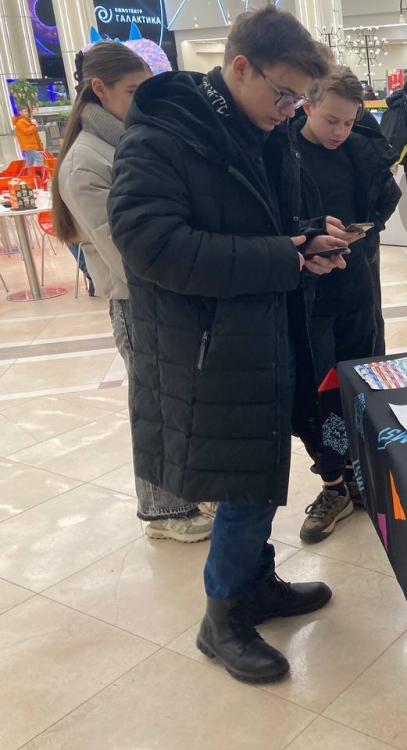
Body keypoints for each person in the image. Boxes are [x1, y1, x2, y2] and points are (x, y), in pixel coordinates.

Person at [107, 7, 350, 684]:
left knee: (262, 469)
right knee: (242, 481)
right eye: (284, 94)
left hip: (262, 329)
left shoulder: (260, 130)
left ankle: (256, 584)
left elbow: (262, 223)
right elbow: (152, 244)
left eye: (299, 100)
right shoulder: (164, 134)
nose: (290, 110)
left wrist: (306, 239)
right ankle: (222, 619)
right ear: (240, 67)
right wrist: (282, 257)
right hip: (207, 345)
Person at [52, 43, 215, 542]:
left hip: (169, 293)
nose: (144, 100)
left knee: (183, 400)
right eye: (132, 91)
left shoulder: (134, 140)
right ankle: (163, 511)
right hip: (137, 300)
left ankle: (189, 491)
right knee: (155, 407)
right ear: (99, 90)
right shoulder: (86, 161)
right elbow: (127, 253)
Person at [293, 64, 400, 543]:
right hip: (308, 297)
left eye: (350, 121)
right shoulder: (283, 153)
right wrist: (309, 233)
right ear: (307, 106)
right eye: (331, 120)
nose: (340, 131)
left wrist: (364, 229)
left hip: (356, 287)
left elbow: (385, 196)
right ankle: (333, 483)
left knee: (361, 383)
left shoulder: (360, 149)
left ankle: (360, 475)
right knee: (318, 393)